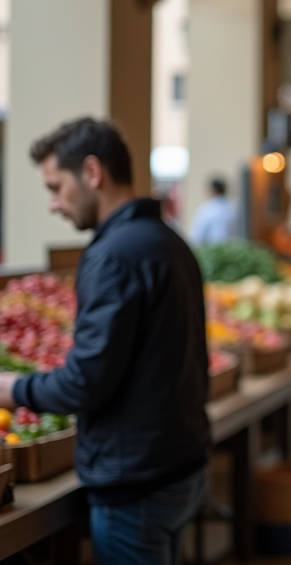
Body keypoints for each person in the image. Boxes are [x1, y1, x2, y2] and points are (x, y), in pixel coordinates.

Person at [0, 118, 211, 565]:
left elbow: (85, 384)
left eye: (56, 187)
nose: (53, 204)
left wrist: (12, 388)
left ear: (93, 172)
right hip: (182, 464)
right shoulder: (170, 241)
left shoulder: (113, 255)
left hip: (136, 483)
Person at [190, 176, 239, 246]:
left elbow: (197, 237)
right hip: (232, 249)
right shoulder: (234, 208)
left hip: (211, 250)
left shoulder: (207, 210)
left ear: (214, 190)